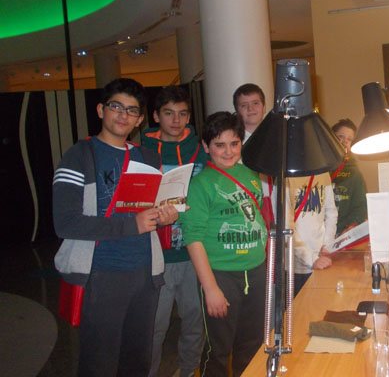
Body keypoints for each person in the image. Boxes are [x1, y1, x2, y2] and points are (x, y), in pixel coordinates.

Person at [53, 78, 179, 377]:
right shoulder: (79, 156)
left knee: (137, 362)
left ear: (139, 120)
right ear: (101, 110)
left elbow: (151, 211)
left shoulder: (148, 158)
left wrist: (165, 216)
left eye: (131, 110)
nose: (123, 115)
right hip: (101, 275)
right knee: (99, 363)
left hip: (146, 274)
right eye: (116, 107)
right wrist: (131, 225)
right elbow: (65, 223)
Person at [182, 112, 267, 377]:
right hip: (220, 275)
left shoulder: (251, 174)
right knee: (217, 350)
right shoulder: (200, 184)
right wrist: (211, 289)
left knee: (252, 345)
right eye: (219, 145)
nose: (228, 151)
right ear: (206, 147)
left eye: (234, 143)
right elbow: (193, 238)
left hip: (256, 271)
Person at [142, 86, 209, 377]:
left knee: (195, 319)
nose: (176, 120)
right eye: (169, 113)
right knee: (155, 324)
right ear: (156, 116)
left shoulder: (200, 150)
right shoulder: (141, 152)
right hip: (156, 254)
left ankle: (189, 370)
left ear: (189, 117)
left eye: (182, 114)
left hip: (194, 250)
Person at [331, 119, 367, 236]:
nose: (345, 141)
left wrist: (351, 226)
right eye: (340, 136)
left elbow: (360, 206)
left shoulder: (355, 173)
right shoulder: (318, 168)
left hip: (342, 234)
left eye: (349, 139)